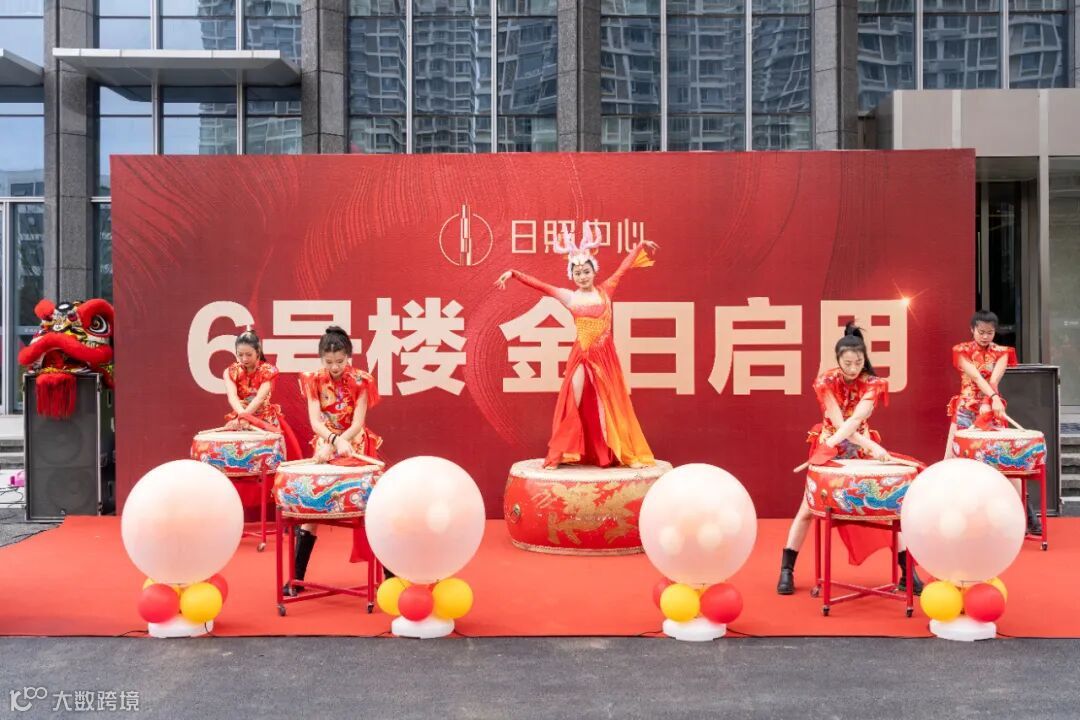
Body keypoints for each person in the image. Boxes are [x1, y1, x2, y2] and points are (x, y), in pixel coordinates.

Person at [495, 222, 658, 469]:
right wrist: (514, 274)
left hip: (605, 357)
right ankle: (559, 454)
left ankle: (623, 454)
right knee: (574, 399)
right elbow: (541, 286)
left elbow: (623, 269)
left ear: (594, 271)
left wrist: (639, 247)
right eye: (578, 273)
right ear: (572, 275)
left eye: (586, 271)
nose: (583, 276)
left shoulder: (605, 291)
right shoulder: (569, 297)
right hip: (581, 355)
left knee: (611, 403)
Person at [777, 323, 924, 596]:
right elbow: (840, 424)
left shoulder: (873, 383)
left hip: (859, 452)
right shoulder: (826, 381)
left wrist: (867, 446)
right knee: (808, 509)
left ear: (864, 359)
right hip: (831, 448)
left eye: (858, 362)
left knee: (887, 509)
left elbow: (856, 420)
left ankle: (908, 572)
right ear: (838, 360)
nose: (853, 368)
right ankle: (787, 570)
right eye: (847, 363)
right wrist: (863, 445)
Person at [284, 326, 383, 596]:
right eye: (329, 362)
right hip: (325, 445)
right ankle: (296, 579)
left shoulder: (362, 380)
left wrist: (340, 442)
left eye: (340, 361)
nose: (335, 367)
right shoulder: (313, 380)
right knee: (312, 507)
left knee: (371, 509)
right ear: (321, 359)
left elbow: (358, 422)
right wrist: (330, 441)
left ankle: (389, 576)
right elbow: (315, 421)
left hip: (354, 444)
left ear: (348, 356)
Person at [945, 311, 1040, 534]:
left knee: (1007, 462)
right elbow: (977, 378)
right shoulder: (961, 350)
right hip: (966, 409)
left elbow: (994, 379)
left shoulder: (1002, 352)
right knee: (951, 460)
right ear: (972, 330)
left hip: (992, 411)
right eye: (981, 332)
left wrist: (992, 401)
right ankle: (950, 514)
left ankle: (1026, 516)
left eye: (990, 332)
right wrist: (995, 398)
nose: (985, 336)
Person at [223, 326, 300, 457]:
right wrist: (242, 417)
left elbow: (259, 398)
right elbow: (232, 397)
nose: (244, 359)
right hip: (241, 417)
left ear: (258, 352)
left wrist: (244, 417)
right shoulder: (231, 372)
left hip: (264, 419)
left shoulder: (267, 371)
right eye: (240, 354)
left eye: (249, 354)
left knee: (268, 457)